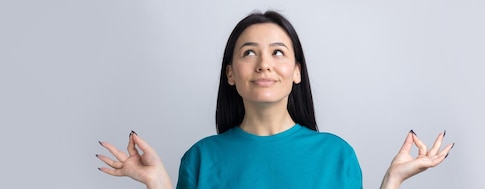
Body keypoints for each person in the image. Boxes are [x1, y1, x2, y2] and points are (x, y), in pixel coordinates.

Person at [95, 10, 454, 189]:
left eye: (278, 52)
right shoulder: (201, 160)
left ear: (297, 71)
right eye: (249, 52)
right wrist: (159, 183)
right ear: (231, 73)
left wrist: (391, 179)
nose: (265, 63)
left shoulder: (336, 156)